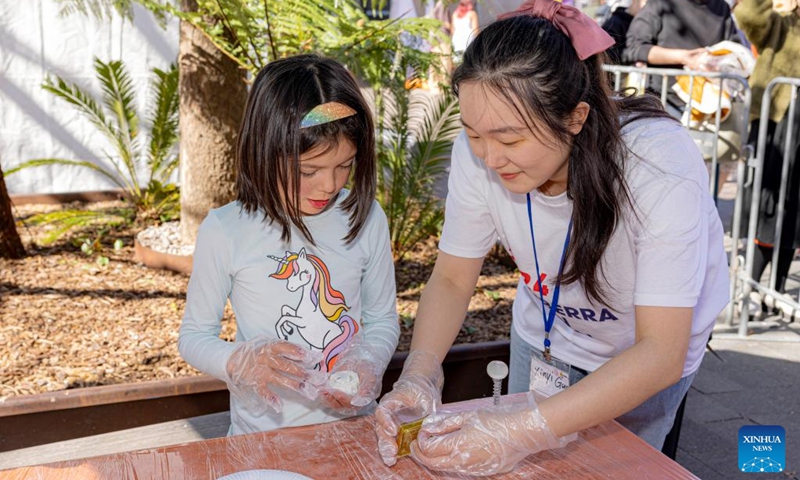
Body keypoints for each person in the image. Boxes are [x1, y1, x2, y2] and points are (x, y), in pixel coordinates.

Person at [374, 0, 729, 475]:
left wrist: (521, 429)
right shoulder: (477, 152)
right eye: (474, 133)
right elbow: (454, 278)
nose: (490, 157)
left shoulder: (657, 164)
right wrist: (419, 372)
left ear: (575, 118)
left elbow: (659, 353)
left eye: (510, 139)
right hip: (545, 335)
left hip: (639, 358)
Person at [179, 54, 399, 435]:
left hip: (354, 432)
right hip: (262, 437)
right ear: (265, 150)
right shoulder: (226, 229)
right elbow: (194, 336)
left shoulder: (365, 217)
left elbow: (382, 320)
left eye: (345, 165)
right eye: (308, 170)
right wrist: (238, 360)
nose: (329, 185)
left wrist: (369, 361)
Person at [735, 0, 800, 308]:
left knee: (795, 206)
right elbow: (748, 14)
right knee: (768, 203)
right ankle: (752, 285)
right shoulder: (782, 21)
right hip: (776, 120)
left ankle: (776, 288)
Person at [602, 0, 646, 64]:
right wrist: (639, 55)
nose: (649, 7)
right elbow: (608, 54)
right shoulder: (614, 23)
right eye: (647, 2)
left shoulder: (645, 23)